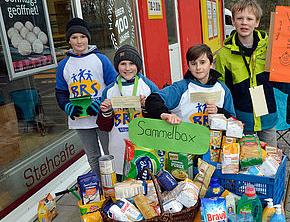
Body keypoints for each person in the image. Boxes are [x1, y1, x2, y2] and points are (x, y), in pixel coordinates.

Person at [215, 0, 290, 146]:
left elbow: (280, 79)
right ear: (233, 22)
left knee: (270, 162)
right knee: (246, 165)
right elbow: (223, 89)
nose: (244, 22)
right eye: (239, 18)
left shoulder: (270, 48)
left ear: (257, 22)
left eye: (249, 18)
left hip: (267, 117)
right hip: (241, 120)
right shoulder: (224, 54)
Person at [55, 18, 117, 179]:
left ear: (88, 38)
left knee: (111, 153)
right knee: (93, 156)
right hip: (81, 120)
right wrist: (66, 106)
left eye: (82, 37)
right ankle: (102, 188)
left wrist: (100, 103)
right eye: (74, 37)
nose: (79, 41)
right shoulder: (64, 65)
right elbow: (61, 92)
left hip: (102, 116)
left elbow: (114, 85)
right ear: (69, 40)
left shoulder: (100, 59)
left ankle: (117, 184)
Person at [96, 45, 159, 180]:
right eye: (123, 64)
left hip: (144, 150)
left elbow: (158, 121)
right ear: (117, 66)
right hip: (118, 150)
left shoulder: (149, 86)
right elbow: (104, 127)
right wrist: (106, 112)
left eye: (131, 63)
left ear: (138, 65)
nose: (127, 68)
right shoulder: (109, 90)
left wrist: (146, 108)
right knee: (123, 189)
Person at [145, 43, 235, 125]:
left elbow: (232, 119)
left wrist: (218, 111)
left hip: (214, 140)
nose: (198, 67)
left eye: (202, 62)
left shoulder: (222, 89)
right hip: (185, 140)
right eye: (193, 64)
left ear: (211, 64)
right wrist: (164, 114)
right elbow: (152, 100)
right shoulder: (181, 87)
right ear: (189, 66)